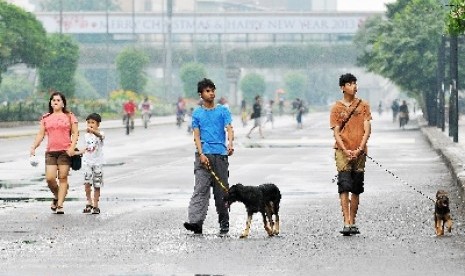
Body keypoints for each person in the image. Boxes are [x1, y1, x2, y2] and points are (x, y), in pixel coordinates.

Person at [184, 78, 235, 235]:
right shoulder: (197, 113)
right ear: (201, 94)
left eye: (213, 90)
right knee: (200, 189)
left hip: (220, 156)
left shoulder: (223, 111)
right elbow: (197, 135)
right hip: (203, 157)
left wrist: (230, 143)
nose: (211, 93)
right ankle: (196, 223)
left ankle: (224, 221)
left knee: (221, 191)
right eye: (207, 91)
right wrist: (201, 154)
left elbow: (229, 128)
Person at [330, 73, 372, 236]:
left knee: (356, 187)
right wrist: (346, 150)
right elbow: (336, 132)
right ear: (342, 88)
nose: (354, 86)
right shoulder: (336, 108)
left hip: (360, 152)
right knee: (344, 185)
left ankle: (353, 221)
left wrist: (360, 148)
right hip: (342, 152)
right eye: (350, 84)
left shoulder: (363, 105)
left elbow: (367, 128)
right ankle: (346, 221)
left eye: (355, 83)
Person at [30, 91, 79, 214]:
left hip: (65, 151)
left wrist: (72, 147)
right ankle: (57, 197)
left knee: (63, 177)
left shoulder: (69, 116)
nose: (55, 102)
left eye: (58, 100)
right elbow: (41, 134)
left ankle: (60, 205)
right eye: (53, 100)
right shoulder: (46, 117)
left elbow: (75, 133)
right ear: (50, 103)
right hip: (51, 152)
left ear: (63, 103)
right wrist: (34, 147)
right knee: (50, 178)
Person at [76, 113, 105, 215]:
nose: (90, 124)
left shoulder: (101, 134)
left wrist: (94, 132)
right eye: (88, 122)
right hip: (87, 162)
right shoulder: (86, 135)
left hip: (97, 163)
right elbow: (86, 148)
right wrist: (76, 152)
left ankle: (96, 205)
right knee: (87, 183)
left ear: (98, 124)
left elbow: (101, 137)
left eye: (93, 122)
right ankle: (89, 202)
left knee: (97, 184)